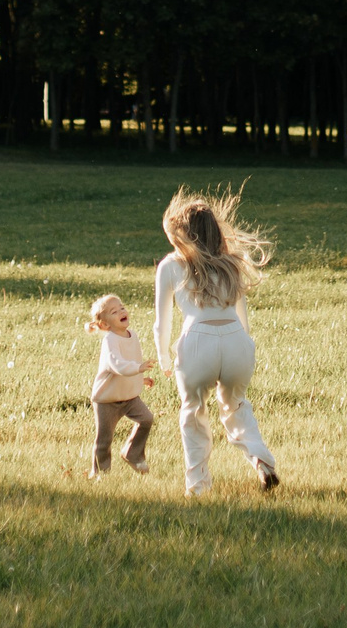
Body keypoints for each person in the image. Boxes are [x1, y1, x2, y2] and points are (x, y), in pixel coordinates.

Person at [153, 188, 280, 497]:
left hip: (198, 342)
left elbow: (161, 322)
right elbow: (243, 317)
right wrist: (245, 346)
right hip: (236, 341)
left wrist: (164, 358)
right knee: (236, 406)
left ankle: (198, 485)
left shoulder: (170, 266)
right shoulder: (230, 263)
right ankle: (263, 462)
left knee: (193, 412)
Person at [84, 293, 154, 478]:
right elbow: (117, 365)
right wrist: (138, 368)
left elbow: (131, 360)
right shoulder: (110, 341)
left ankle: (132, 453)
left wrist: (140, 378)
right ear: (105, 324)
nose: (121, 312)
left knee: (146, 419)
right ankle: (100, 474)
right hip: (107, 399)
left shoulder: (133, 335)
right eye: (114, 312)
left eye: (122, 307)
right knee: (104, 440)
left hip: (129, 397)